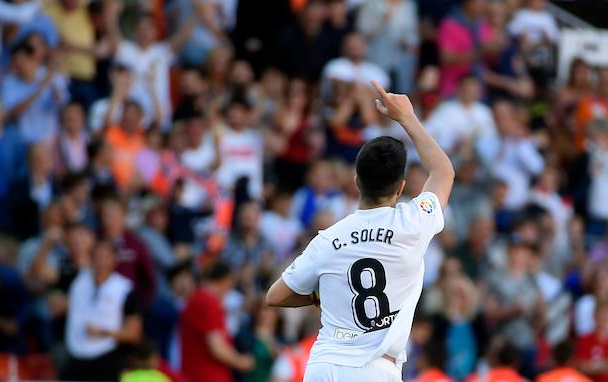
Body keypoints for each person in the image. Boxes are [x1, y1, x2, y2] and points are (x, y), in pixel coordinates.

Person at [266, 80, 454, 381]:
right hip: (377, 369)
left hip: (324, 366)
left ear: (356, 182)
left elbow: (275, 296)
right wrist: (407, 117)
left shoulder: (327, 239)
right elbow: (443, 171)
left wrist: (321, 295)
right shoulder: (412, 224)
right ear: (401, 188)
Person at [63, 240, 143, 381]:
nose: (100, 260)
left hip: (104, 359)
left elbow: (134, 333)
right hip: (74, 358)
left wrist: (102, 332)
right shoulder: (78, 280)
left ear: (114, 260)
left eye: (105, 256)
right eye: (97, 255)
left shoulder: (124, 289)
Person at [179, 261, 254, 382]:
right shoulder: (208, 302)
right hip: (208, 376)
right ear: (225, 280)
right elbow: (217, 348)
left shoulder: (197, 298)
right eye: (231, 284)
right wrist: (243, 362)